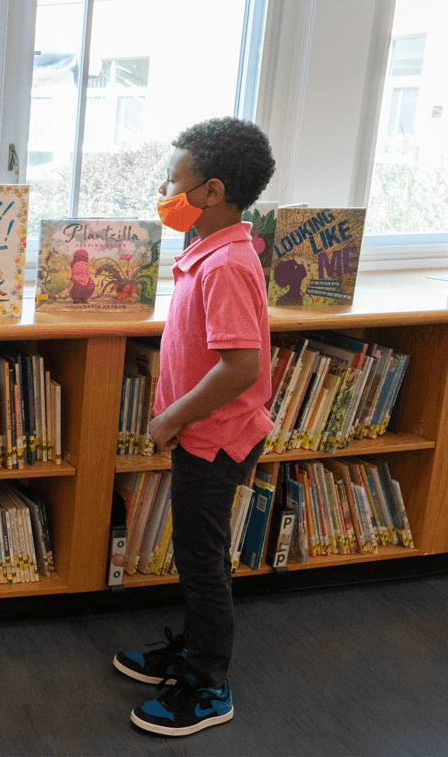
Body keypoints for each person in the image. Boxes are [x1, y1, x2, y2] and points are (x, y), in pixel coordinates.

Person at [114, 116, 275, 737]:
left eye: (174, 180)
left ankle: (209, 684)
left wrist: (172, 417)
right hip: (204, 433)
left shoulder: (226, 265)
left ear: (210, 192)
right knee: (195, 552)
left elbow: (241, 367)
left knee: (201, 560)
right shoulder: (207, 252)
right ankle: (193, 649)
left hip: (216, 436)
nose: (164, 188)